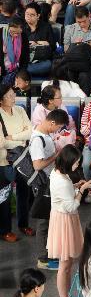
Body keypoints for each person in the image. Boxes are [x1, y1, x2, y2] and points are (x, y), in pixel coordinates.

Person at [47, 145, 90, 297]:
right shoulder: (61, 181)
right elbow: (71, 206)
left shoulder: (59, 173)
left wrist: (76, 186)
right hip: (64, 221)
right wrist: (82, 190)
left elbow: (66, 196)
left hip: (63, 219)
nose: (77, 165)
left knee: (67, 263)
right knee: (64, 264)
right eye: (76, 162)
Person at [30, 108, 68, 270]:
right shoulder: (38, 139)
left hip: (50, 183)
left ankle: (49, 254)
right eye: (58, 127)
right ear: (52, 123)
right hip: (44, 184)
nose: (57, 130)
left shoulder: (45, 135)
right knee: (43, 223)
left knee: (50, 221)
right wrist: (56, 156)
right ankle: (43, 259)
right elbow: (37, 165)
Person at [0, 82, 32, 242]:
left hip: (22, 158)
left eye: (14, 94)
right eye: (10, 95)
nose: (14, 97)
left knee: (23, 193)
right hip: (4, 161)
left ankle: (23, 224)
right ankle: (5, 230)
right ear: (1, 99)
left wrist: (14, 138)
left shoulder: (20, 110)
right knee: (4, 197)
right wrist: (20, 141)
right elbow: (1, 142)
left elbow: (30, 131)